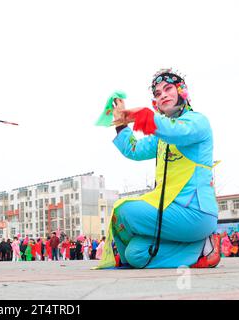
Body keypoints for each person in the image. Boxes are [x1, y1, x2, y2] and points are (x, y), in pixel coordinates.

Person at [98, 68, 220, 269]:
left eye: (168, 88)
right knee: (136, 254)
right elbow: (134, 149)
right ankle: (202, 248)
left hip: (195, 211)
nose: (162, 95)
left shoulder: (198, 122)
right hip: (172, 212)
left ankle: (202, 244)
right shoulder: (161, 136)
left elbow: (176, 131)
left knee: (123, 210)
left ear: (181, 91)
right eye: (157, 93)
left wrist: (141, 116)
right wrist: (121, 124)